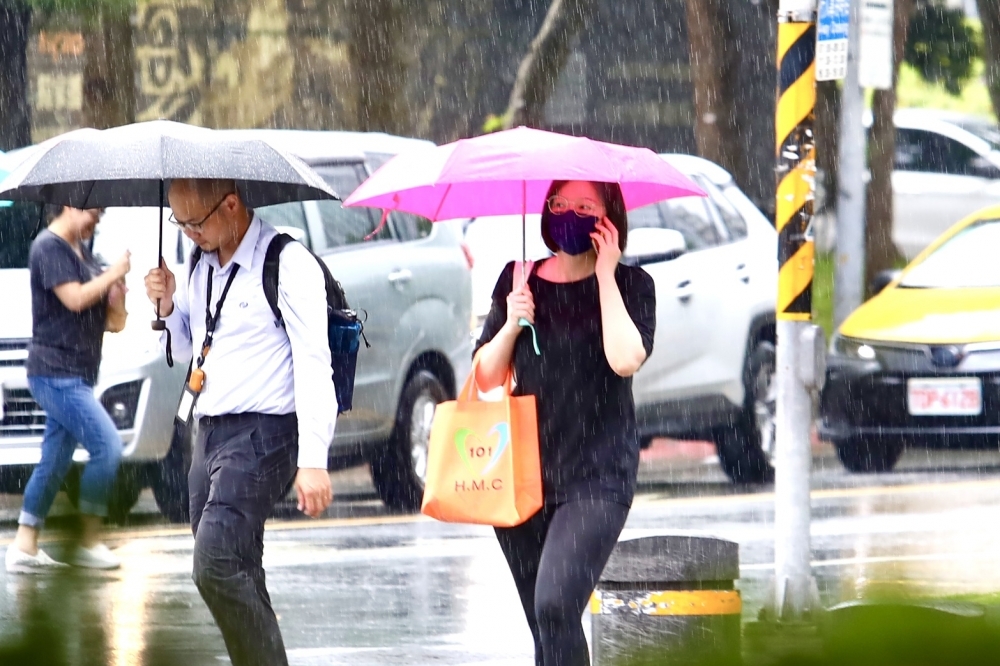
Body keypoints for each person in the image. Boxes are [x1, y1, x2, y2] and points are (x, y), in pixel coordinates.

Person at [143, 179, 336, 666]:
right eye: (179, 223)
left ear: (231, 205)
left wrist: (314, 459)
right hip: (208, 435)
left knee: (215, 563)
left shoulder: (286, 263)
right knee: (239, 568)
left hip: (264, 435)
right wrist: (167, 306)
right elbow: (189, 350)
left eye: (196, 222)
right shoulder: (197, 265)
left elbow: (315, 362)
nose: (189, 234)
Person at [474, 180, 656, 666]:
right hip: (523, 476)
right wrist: (512, 322)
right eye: (559, 203)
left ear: (609, 216)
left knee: (556, 605)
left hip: (597, 475)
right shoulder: (518, 279)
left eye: (584, 206)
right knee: (546, 625)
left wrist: (605, 277)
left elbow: (625, 360)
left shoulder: (634, 285)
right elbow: (487, 375)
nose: (568, 214)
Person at [5, 205, 131, 573]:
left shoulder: (86, 254)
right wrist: (112, 275)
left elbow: (114, 324)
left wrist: (118, 297)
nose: (98, 219)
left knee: (54, 460)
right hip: (54, 372)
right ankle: (89, 539)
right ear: (70, 205)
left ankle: (24, 544)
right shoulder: (48, 248)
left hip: (80, 372)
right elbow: (74, 298)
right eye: (94, 211)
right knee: (107, 446)